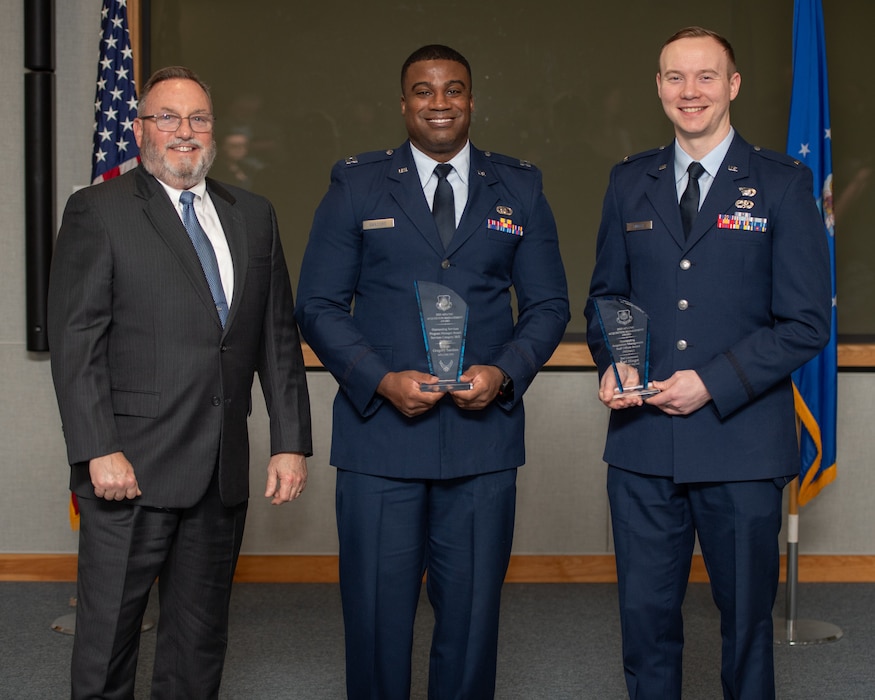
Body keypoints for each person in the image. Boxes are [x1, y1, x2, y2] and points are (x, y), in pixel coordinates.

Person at [295, 44, 569, 699]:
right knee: (375, 621)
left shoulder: (519, 186)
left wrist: (503, 372)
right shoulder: (357, 183)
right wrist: (377, 378)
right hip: (380, 439)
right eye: (423, 91)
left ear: (472, 100)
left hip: (481, 440)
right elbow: (317, 304)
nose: (438, 103)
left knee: (471, 622)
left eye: (452, 90)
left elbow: (549, 304)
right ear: (403, 103)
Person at [47, 66, 312, 699]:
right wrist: (96, 448)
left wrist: (289, 440)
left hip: (220, 470)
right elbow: (75, 340)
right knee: (108, 641)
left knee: (198, 642)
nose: (184, 132)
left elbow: (276, 336)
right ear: (141, 129)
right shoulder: (98, 210)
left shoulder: (251, 214)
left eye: (198, 119)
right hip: (128, 470)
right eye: (167, 117)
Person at [584, 27, 831, 699]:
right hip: (641, 447)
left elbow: (807, 323)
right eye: (673, 77)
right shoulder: (629, 180)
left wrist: (711, 383)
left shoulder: (781, 183)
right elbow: (608, 295)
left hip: (741, 445)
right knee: (644, 622)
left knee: (745, 626)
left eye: (703, 77)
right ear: (658, 86)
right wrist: (614, 362)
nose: (688, 92)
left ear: (732, 85)